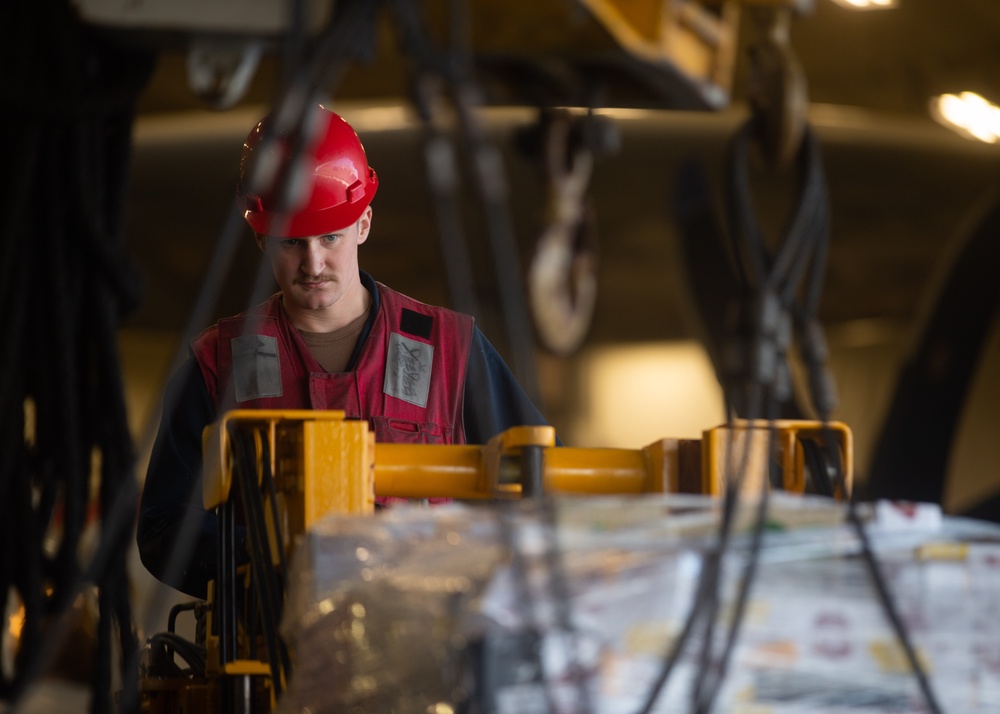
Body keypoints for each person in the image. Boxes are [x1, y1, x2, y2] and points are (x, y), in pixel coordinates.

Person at [137, 105, 554, 599]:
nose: (313, 263)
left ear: (363, 224)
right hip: (271, 657)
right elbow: (165, 530)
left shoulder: (448, 350)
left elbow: (542, 485)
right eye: (292, 243)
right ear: (260, 237)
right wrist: (272, 555)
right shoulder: (217, 365)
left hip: (424, 643)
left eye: (330, 237)